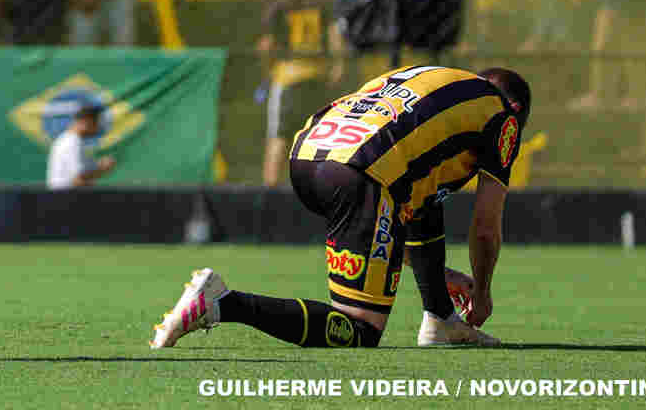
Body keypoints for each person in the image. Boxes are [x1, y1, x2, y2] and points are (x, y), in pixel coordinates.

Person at [151, 65, 531, 351]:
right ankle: (221, 303)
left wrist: (439, 289)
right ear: (515, 109)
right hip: (362, 173)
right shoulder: (502, 114)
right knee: (360, 331)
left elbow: (417, 205)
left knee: (418, 196)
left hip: (307, 158)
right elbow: (485, 227)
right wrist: (481, 292)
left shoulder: (432, 78)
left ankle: (440, 319)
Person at [257, 0, 341, 186]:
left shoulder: (278, 8)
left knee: (278, 136)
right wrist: (338, 67)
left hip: (288, 79)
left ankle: (270, 192)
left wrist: (267, 71)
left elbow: (266, 46)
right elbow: (335, 38)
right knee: (318, 141)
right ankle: (321, 192)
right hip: (317, 79)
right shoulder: (321, 6)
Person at [46, 100, 115, 189]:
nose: (98, 127)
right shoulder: (72, 142)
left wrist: (97, 165)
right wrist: (102, 169)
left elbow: (79, 173)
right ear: (87, 121)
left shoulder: (71, 140)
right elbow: (78, 179)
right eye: (97, 122)